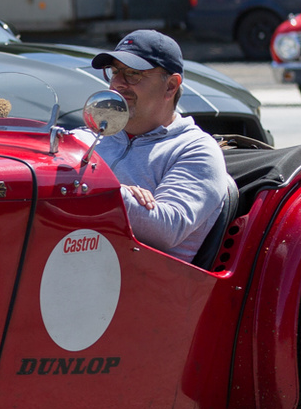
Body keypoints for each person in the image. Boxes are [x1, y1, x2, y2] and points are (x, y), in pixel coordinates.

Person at [88, 30, 235, 261]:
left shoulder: (195, 149)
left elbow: (165, 229)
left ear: (171, 86)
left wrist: (105, 189)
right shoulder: (90, 136)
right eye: (115, 72)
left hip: (141, 284)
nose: (117, 84)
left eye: (133, 74)